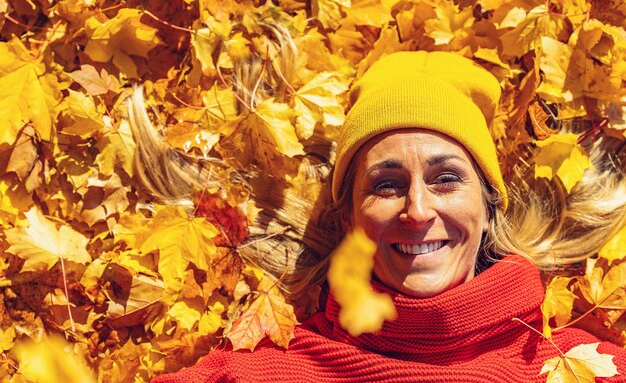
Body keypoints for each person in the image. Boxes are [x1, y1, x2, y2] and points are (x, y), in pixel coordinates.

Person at [148, 51, 626, 382]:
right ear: (350, 220)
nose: (417, 211)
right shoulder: (257, 371)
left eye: (445, 179)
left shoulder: (587, 368)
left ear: (488, 208)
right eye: (386, 185)